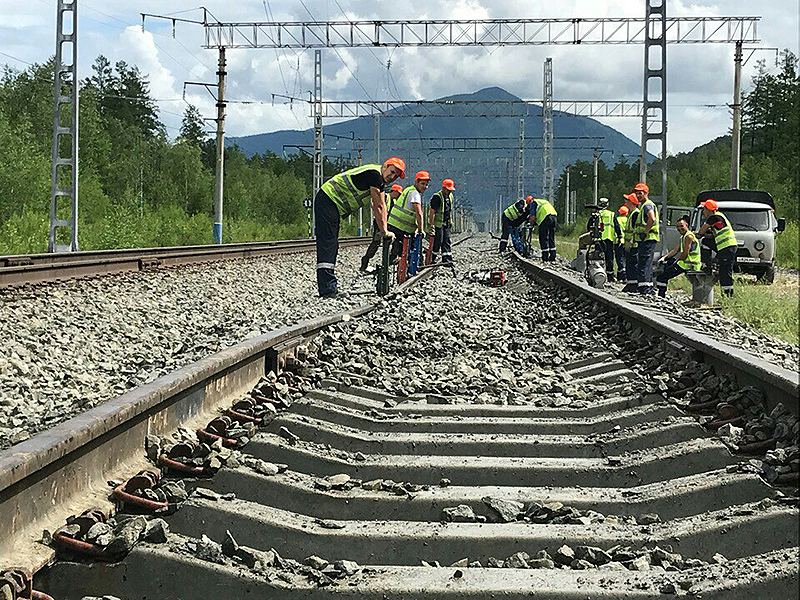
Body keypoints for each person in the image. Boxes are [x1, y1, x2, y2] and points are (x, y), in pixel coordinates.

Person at [316, 157, 405, 297]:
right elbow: (378, 206)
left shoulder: (379, 180)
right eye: (392, 172)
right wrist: (384, 231)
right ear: (385, 166)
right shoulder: (374, 175)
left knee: (331, 243)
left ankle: (328, 287)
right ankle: (327, 290)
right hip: (328, 199)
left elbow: (382, 206)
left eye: (396, 176)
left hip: (331, 203)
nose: (393, 177)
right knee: (328, 243)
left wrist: (385, 230)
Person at [696, 198, 738, 297]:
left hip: (727, 247)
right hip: (726, 247)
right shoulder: (720, 217)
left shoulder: (713, 217)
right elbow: (712, 236)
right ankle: (710, 263)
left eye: (704, 209)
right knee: (724, 271)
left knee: (725, 272)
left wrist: (696, 235)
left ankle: (728, 295)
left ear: (709, 210)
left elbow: (701, 232)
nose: (703, 211)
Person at [387, 170, 429, 261]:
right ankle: (410, 268)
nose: (425, 187)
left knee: (397, 250)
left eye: (426, 184)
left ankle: (390, 265)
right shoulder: (415, 194)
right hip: (402, 227)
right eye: (423, 183)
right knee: (410, 249)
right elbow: (419, 213)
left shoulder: (408, 189)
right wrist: (421, 231)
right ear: (416, 182)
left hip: (393, 224)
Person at [655, 215, 701, 297]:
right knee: (667, 264)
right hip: (685, 263)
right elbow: (676, 250)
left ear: (686, 225)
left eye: (681, 226)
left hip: (689, 264)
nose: (679, 228)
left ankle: (660, 295)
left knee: (662, 276)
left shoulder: (688, 236)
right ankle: (660, 291)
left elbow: (685, 253)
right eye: (678, 227)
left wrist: (676, 262)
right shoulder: (683, 237)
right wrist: (664, 257)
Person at [360, 183, 402, 271]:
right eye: (398, 193)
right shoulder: (385, 197)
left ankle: (390, 259)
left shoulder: (393, 201)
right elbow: (375, 205)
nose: (399, 196)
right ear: (393, 191)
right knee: (376, 242)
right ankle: (365, 262)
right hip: (379, 223)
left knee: (395, 240)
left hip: (387, 223)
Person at [633, 182, 659, 295]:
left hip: (647, 239)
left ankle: (644, 289)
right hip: (647, 239)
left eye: (640, 193)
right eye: (637, 193)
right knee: (646, 263)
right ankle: (647, 287)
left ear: (646, 193)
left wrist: (645, 232)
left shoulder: (647, 205)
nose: (638, 196)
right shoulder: (645, 205)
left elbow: (651, 218)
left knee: (643, 263)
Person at [428, 178, 455, 264]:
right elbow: (432, 212)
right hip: (438, 224)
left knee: (446, 240)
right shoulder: (437, 197)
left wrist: (450, 221)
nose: (449, 192)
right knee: (438, 241)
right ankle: (432, 258)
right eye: (448, 190)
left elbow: (449, 210)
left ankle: (447, 260)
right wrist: (431, 225)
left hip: (446, 223)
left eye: (450, 190)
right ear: (443, 188)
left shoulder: (450, 197)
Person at [621, 192, 641, 293]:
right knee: (630, 265)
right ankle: (630, 284)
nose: (625, 202)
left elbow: (635, 230)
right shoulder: (632, 214)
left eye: (627, 200)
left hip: (634, 245)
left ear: (632, 202)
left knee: (633, 265)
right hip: (630, 245)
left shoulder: (635, 214)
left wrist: (631, 243)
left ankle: (633, 286)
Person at [530, 197, 558, 261]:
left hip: (545, 218)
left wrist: (531, 223)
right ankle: (552, 256)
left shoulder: (533, 203)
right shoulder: (543, 201)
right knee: (551, 236)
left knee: (543, 237)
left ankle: (545, 256)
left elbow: (533, 217)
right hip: (554, 216)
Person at [597, 197, 616, 279]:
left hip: (598, 239)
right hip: (609, 239)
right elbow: (617, 226)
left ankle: (598, 273)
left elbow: (589, 226)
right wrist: (619, 236)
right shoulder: (611, 214)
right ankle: (610, 275)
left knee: (598, 257)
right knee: (609, 258)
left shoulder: (597, 214)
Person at [614, 205, 629, 283]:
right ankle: (626, 276)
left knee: (619, 259)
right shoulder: (628, 220)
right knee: (626, 259)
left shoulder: (617, 219)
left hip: (618, 241)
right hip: (626, 242)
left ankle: (620, 276)